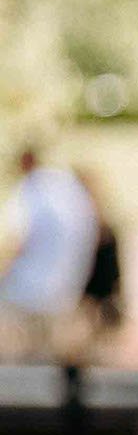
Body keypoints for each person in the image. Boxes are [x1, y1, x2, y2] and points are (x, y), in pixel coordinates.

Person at [0, 147, 101, 361]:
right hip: (68, 283)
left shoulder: (32, 191)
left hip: (33, 289)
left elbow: (20, 240)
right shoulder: (62, 186)